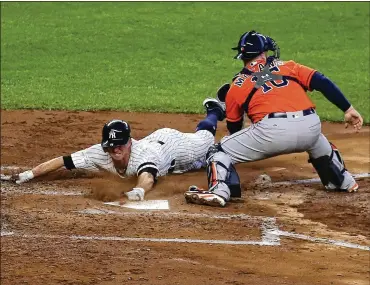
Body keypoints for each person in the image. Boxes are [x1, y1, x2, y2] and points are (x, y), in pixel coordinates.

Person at [184, 30, 364, 207]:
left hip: (272, 132)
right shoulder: (289, 66)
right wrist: (348, 109)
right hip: (311, 125)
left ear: (243, 56)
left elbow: (234, 127)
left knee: (218, 151)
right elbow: (322, 82)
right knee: (316, 138)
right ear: (264, 53)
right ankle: (342, 181)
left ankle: (219, 191)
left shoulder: (236, 85)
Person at [3, 98, 226, 202]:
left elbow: (147, 178)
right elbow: (63, 160)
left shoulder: (143, 156)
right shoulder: (101, 151)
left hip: (174, 147)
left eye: (120, 145)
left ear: (129, 142)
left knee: (206, 141)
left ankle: (214, 111)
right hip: (156, 142)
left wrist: (139, 192)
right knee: (203, 158)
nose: (115, 150)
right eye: (111, 146)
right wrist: (28, 174)